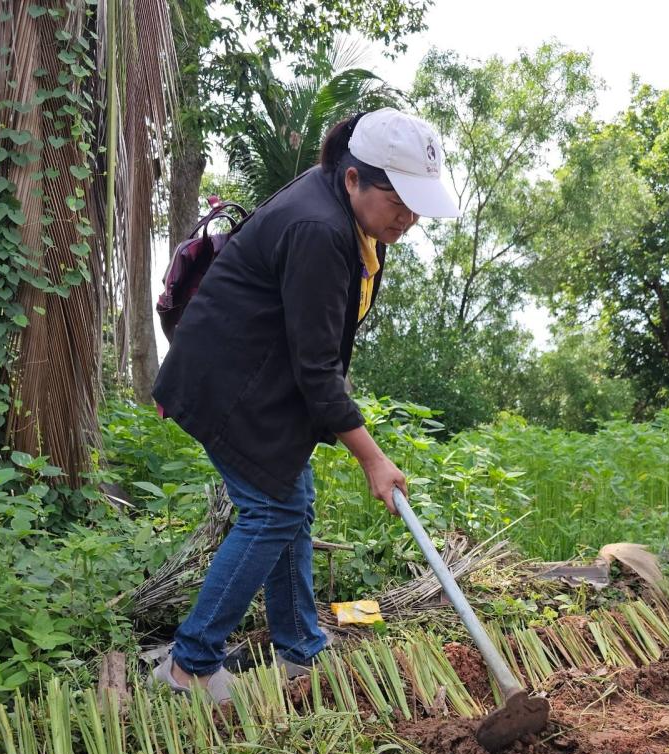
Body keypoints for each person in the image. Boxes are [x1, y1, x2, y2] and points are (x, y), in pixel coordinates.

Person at [150, 108, 460, 702]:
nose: (411, 217)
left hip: (260, 384)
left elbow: (315, 352)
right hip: (229, 389)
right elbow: (317, 369)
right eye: (400, 201)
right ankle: (187, 668)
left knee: (290, 503)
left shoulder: (356, 222)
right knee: (272, 513)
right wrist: (372, 457)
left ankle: (299, 651)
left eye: (417, 204)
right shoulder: (320, 229)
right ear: (354, 180)